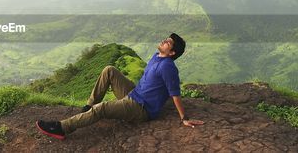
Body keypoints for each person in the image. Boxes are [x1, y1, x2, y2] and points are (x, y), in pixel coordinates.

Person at [36, 33, 204, 140]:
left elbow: (175, 94)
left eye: (169, 42)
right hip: (135, 93)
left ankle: (62, 128)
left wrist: (184, 118)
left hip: (140, 107)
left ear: (172, 52)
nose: (165, 40)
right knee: (109, 70)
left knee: (101, 109)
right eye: (167, 39)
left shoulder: (168, 67)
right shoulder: (157, 55)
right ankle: (88, 106)